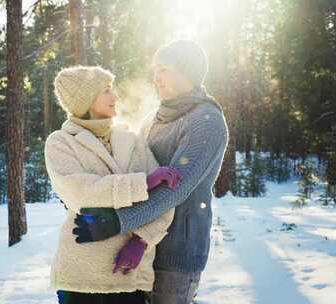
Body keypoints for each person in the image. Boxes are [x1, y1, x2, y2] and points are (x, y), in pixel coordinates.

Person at [73, 40, 229, 304]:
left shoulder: (206, 121)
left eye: (165, 69)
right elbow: (129, 168)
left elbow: (175, 189)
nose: (156, 77)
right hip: (137, 249)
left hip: (175, 254)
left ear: (188, 72)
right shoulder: (154, 118)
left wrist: (118, 223)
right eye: (155, 69)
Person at [45, 66, 179, 304]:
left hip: (129, 275)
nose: (114, 96)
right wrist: (143, 183)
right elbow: (80, 193)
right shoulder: (61, 143)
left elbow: (165, 197)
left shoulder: (132, 140)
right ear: (85, 100)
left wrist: (142, 239)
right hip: (81, 278)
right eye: (106, 90)